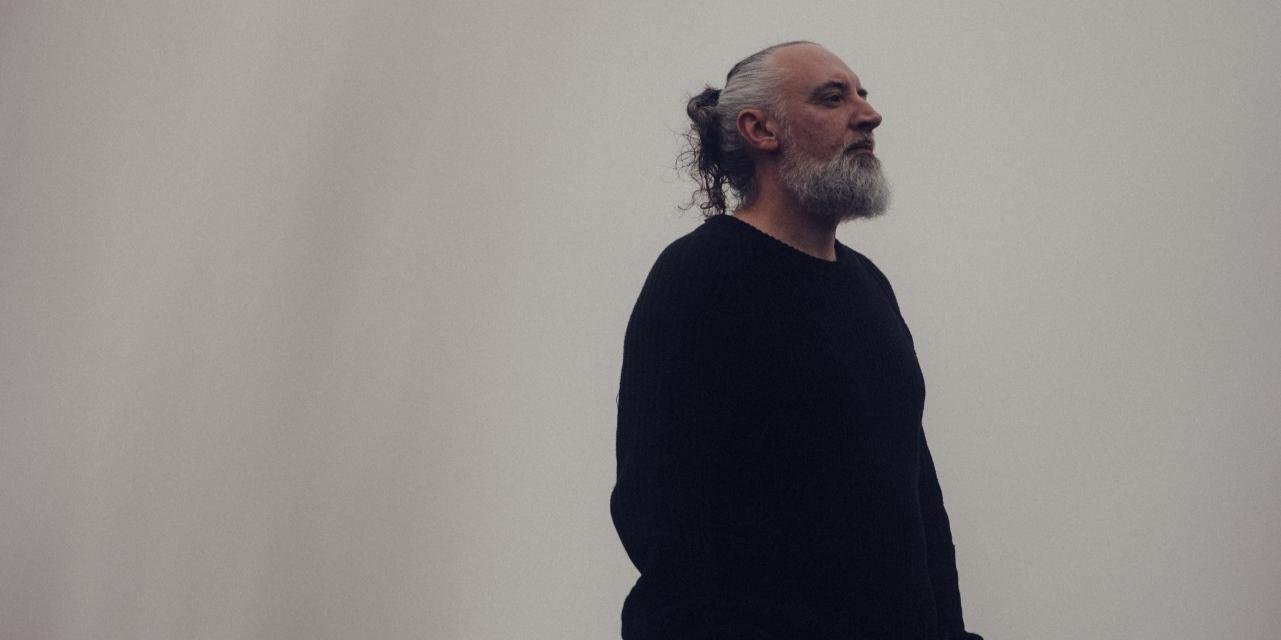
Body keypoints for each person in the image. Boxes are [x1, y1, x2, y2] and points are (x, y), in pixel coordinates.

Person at [610, 41, 986, 640]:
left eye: (862, 95)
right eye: (833, 98)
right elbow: (659, 510)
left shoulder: (869, 287)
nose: (868, 115)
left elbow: (916, 501)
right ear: (761, 130)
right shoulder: (701, 275)